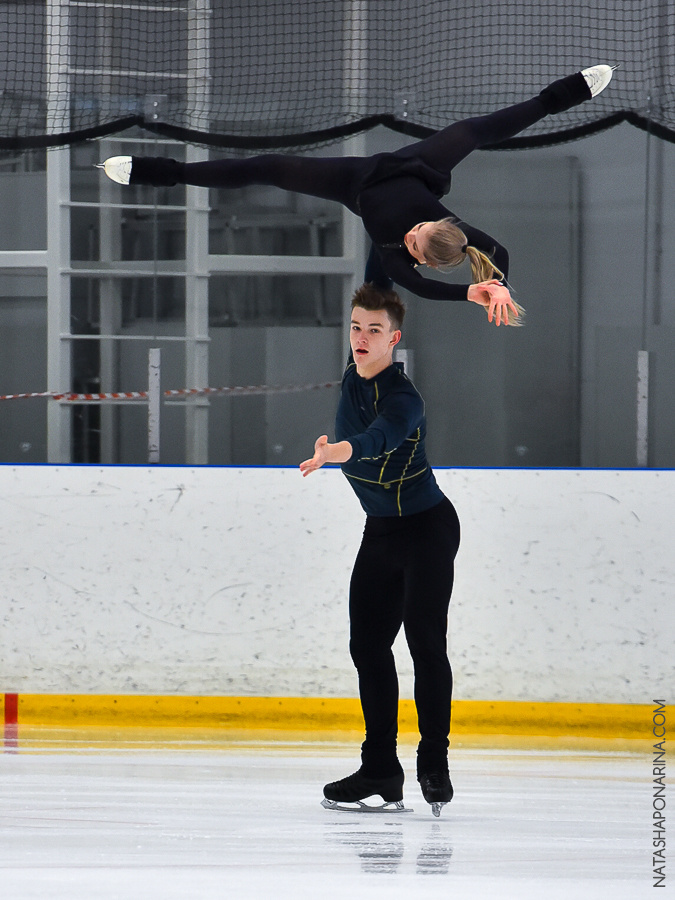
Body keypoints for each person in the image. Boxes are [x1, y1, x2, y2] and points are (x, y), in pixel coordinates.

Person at [100, 66, 614, 327]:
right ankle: (566, 94)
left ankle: (157, 172)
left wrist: (465, 294)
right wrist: (497, 285)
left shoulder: (398, 260)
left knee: (268, 169)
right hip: (420, 170)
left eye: (413, 239)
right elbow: (497, 253)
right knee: (472, 131)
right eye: (421, 228)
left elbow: (428, 291)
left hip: (359, 185)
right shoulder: (455, 235)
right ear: (444, 227)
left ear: (416, 255)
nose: (412, 231)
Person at [299, 281, 461, 815]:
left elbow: (381, 438)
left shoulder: (403, 398)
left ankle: (432, 761)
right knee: (367, 647)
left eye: (374, 331)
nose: (361, 338)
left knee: (423, 643)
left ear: (395, 339)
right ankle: (381, 769)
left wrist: (339, 450)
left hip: (427, 529)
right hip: (382, 531)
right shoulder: (352, 378)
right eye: (355, 328)